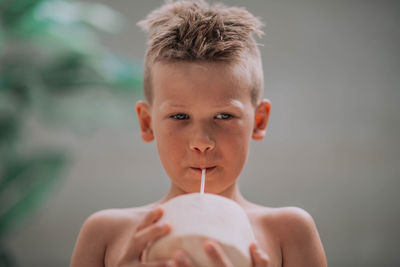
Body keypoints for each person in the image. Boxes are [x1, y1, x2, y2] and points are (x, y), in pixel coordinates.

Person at [70, 1, 327, 266]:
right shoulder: (107, 235)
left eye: (224, 116)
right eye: (179, 117)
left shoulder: (289, 233)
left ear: (258, 121)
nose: (201, 142)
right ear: (147, 123)